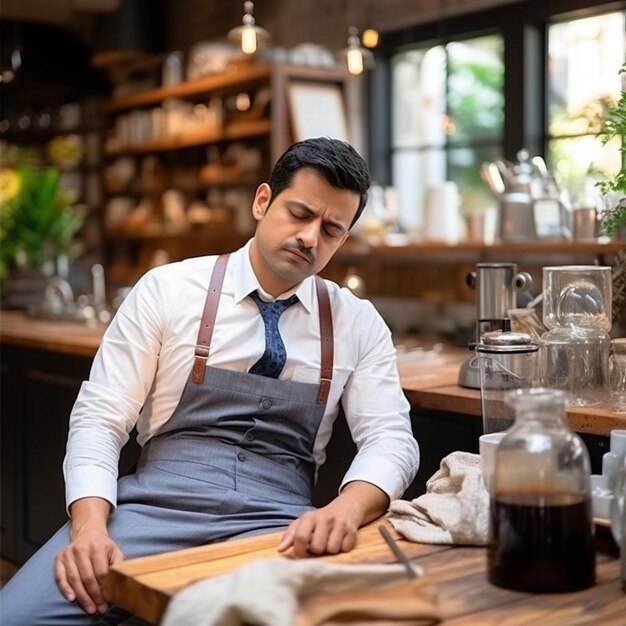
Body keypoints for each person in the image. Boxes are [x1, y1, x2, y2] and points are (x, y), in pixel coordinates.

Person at [0, 137, 419, 625]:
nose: (309, 237)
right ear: (263, 201)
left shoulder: (358, 322)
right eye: (299, 213)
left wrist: (345, 510)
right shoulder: (169, 289)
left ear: (343, 239)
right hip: (148, 513)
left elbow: (391, 438)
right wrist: (89, 528)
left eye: (330, 229)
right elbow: (99, 418)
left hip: (277, 528)